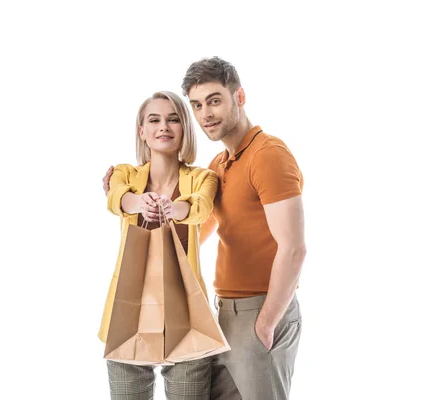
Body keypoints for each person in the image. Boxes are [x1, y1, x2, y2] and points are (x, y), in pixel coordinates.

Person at [103, 57, 306, 400]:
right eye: (197, 105)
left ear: (239, 98)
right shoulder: (221, 164)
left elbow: (294, 248)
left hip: (259, 310)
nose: (206, 113)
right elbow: (197, 232)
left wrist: (268, 321)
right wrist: (130, 203)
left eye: (215, 100)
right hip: (222, 312)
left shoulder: (268, 155)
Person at [99, 90, 218, 400]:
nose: (163, 126)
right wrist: (140, 202)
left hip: (188, 318)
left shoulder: (204, 177)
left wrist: (171, 208)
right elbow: (117, 197)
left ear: (184, 129)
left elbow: (199, 206)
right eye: (154, 120)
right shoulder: (124, 173)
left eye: (173, 119)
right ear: (142, 131)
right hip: (129, 316)